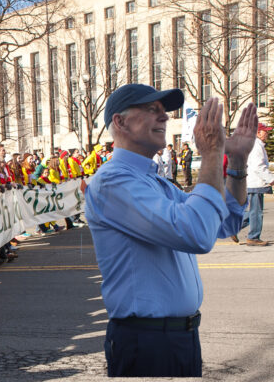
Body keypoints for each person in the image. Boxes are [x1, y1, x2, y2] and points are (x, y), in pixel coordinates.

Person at [84, 83, 258, 378]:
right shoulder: (113, 182)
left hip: (176, 337)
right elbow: (197, 234)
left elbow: (225, 222)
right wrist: (213, 154)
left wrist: (237, 162)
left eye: (164, 111)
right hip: (148, 341)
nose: (164, 117)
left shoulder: (154, 180)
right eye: (152, 110)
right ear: (120, 121)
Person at [236, 123, 274, 246]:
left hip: (254, 182)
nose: (267, 134)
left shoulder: (255, 144)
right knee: (256, 212)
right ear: (258, 133)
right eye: (265, 131)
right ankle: (253, 237)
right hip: (256, 182)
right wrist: (271, 179)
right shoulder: (256, 146)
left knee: (253, 210)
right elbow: (259, 167)